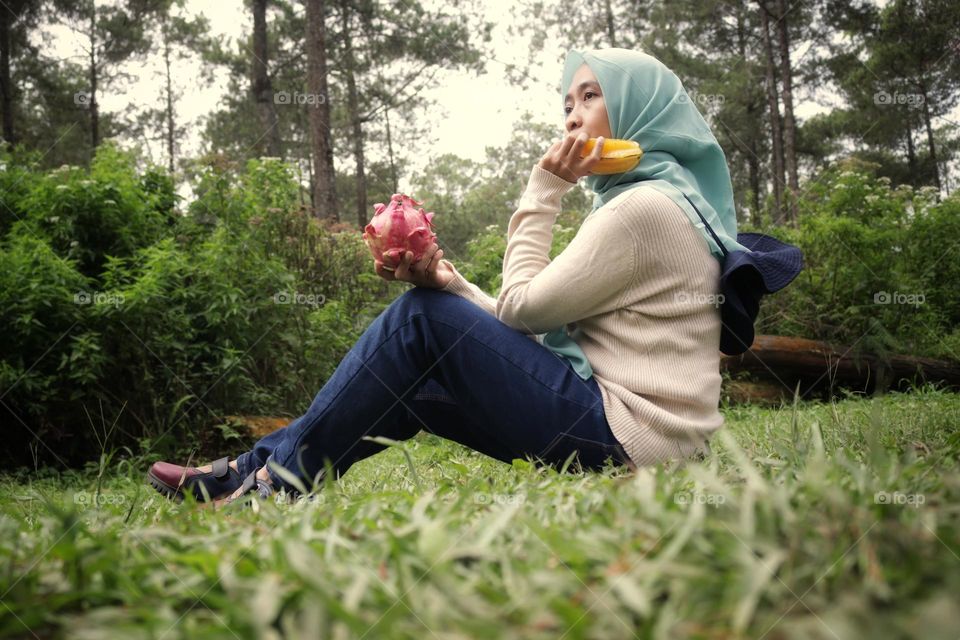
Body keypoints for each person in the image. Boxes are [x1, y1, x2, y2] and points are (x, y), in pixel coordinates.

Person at [147, 46, 734, 505]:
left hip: (631, 442)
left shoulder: (642, 210)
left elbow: (523, 309)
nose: (574, 116)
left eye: (592, 96)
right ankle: (260, 475)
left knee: (418, 320)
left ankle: (265, 483)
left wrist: (543, 190)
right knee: (420, 380)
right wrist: (452, 285)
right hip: (638, 436)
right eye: (568, 104)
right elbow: (528, 326)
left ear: (640, 105)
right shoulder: (661, 202)